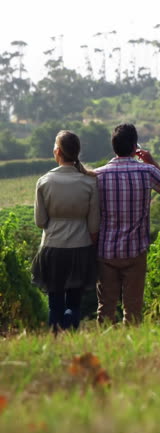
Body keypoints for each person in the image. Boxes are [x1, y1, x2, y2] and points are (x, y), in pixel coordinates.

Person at [95, 123, 160, 325]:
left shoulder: (98, 175)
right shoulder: (147, 171)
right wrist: (153, 162)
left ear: (114, 146)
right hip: (135, 251)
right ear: (135, 147)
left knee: (106, 308)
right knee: (133, 310)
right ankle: (132, 347)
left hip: (106, 251)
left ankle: (106, 349)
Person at [32, 130, 100, 333]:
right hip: (80, 248)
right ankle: (70, 328)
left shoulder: (44, 182)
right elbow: (94, 224)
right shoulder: (89, 182)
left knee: (55, 303)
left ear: (57, 151)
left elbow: (40, 221)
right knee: (74, 303)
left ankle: (55, 336)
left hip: (53, 248)